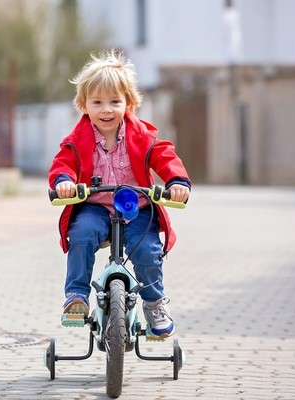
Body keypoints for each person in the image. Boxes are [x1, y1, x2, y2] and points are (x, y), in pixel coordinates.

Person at [48, 49, 191, 338]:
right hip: (95, 207)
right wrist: (64, 180)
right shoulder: (77, 140)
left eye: (115, 101)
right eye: (97, 102)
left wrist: (176, 181)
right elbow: (63, 163)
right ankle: (76, 297)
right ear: (84, 105)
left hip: (136, 205)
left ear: (129, 103)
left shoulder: (142, 136)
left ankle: (154, 303)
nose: (106, 110)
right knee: (82, 234)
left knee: (147, 250)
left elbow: (165, 156)